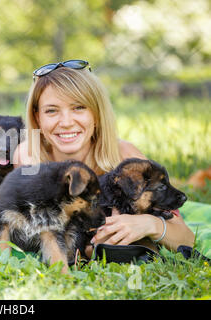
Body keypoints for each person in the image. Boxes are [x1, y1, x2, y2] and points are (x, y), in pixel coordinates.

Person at [13, 59, 195, 256]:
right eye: (51, 110)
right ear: (37, 116)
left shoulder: (125, 158)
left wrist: (150, 224)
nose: (65, 122)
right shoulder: (29, 158)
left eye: (79, 107)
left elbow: (186, 238)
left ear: (97, 114)